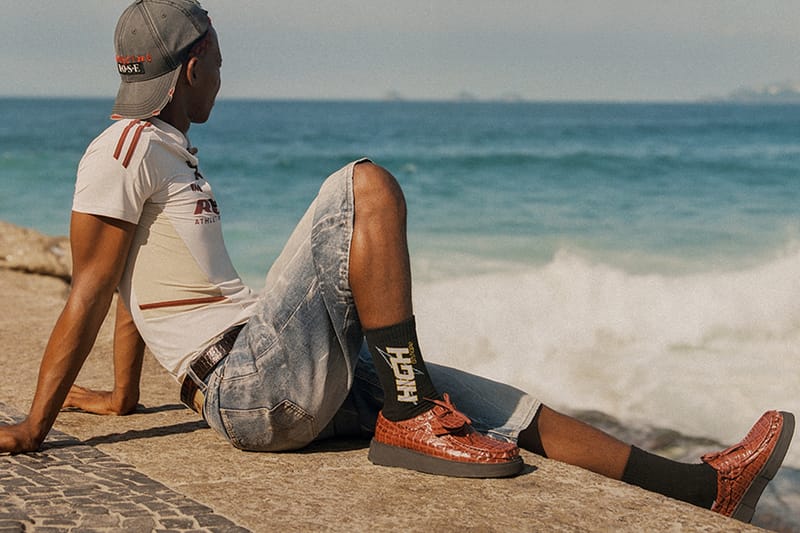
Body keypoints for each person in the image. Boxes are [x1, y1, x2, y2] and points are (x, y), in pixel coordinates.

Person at [0, 0, 794, 523]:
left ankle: (703, 488)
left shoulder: (167, 152)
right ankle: (411, 418)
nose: (223, 72)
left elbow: (146, 283)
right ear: (189, 68)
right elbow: (92, 288)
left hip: (274, 370)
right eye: (216, 56)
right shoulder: (125, 147)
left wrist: (122, 398)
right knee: (365, 187)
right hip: (249, 386)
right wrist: (36, 425)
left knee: (505, 406)